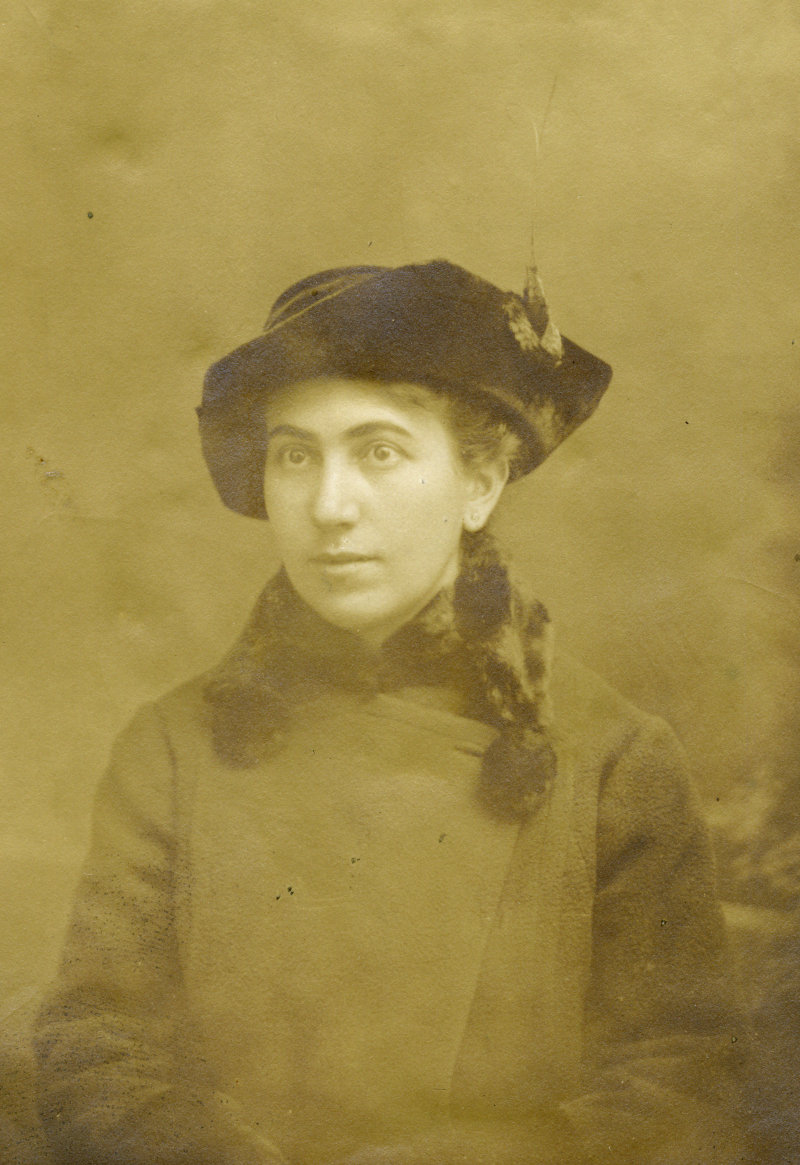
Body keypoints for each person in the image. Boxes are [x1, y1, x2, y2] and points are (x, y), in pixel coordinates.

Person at [34, 260, 746, 1164]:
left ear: (479, 483)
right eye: (296, 455)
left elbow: (681, 1085)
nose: (330, 506)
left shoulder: (613, 760)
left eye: (378, 451)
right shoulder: (170, 749)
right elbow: (96, 1053)